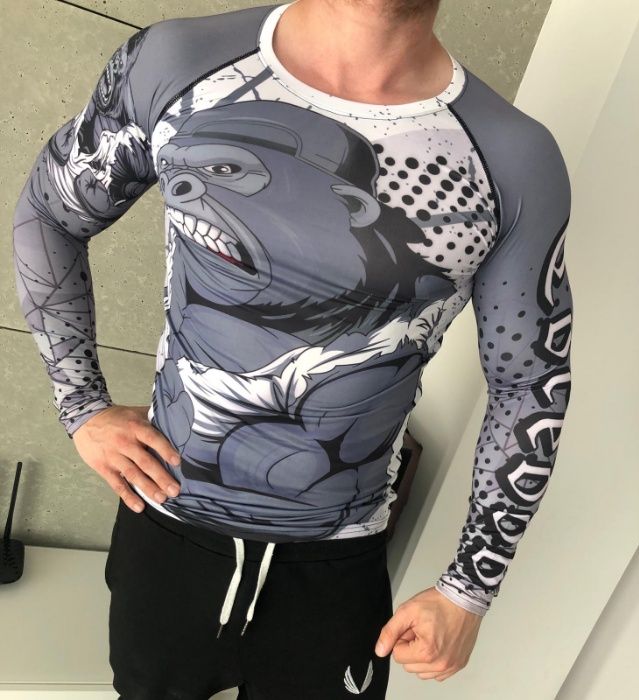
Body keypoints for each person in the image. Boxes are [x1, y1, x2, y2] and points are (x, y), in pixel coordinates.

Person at [12, 0, 573, 697]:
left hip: (338, 564)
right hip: (167, 530)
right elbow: (49, 214)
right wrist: (81, 406)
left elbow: (529, 379)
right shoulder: (178, 64)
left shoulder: (512, 157)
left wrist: (471, 585)